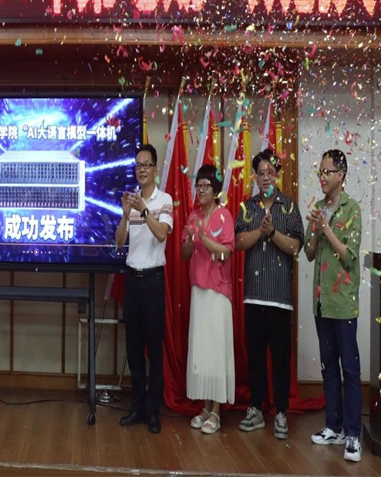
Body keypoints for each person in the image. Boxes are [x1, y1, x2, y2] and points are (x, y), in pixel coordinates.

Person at [235, 148, 304, 439]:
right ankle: (255, 409)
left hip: (280, 299)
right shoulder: (247, 207)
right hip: (253, 297)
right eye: (260, 173)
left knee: (280, 360)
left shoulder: (290, 207)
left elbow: (296, 246)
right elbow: (239, 241)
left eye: (270, 172)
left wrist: (273, 232)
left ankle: (281, 413)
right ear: (255, 177)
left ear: (278, 175)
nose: (265, 177)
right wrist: (260, 232)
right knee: (255, 358)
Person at [305, 149, 363, 462]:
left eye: (327, 172)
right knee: (329, 366)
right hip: (321, 302)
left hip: (343, 303)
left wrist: (326, 227)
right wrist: (315, 230)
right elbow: (310, 253)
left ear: (341, 175)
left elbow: (349, 256)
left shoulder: (352, 209)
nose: (323, 177)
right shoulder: (318, 208)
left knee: (350, 369)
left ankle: (353, 434)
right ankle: (334, 426)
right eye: (321, 172)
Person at [114, 144, 173, 434]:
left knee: (154, 348)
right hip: (132, 280)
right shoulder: (131, 200)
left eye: (146, 164)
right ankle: (136, 407)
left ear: (155, 169)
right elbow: (118, 242)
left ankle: (153, 410)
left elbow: (162, 234)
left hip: (152, 281)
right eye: (138, 165)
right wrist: (126, 215)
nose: (142, 169)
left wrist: (144, 209)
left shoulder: (164, 200)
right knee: (134, 347)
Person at [182, 164, 235, 435]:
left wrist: (203, 237)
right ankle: (204, 406)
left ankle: (216, 410)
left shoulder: (224, 216)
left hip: (218, 291)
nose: (201, 190)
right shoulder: (193, 216)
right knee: (202, 351)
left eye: (206, 186)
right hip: (198, 290)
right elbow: (184, 254)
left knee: (216, 351)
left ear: (215, 191)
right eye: (198, 185)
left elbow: (226, 253)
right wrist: (190, 240)